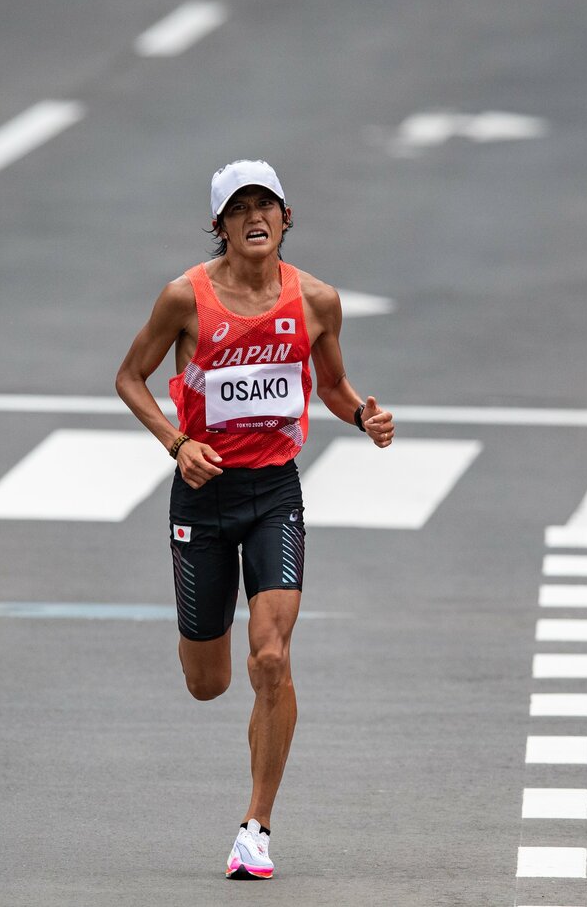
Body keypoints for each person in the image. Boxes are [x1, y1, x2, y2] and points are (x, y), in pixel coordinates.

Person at [114, 159, 396, 881]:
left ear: (285, 214)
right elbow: (129, 376)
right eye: (239, 208)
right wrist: (178, 444)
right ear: (222, 227)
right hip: (203, 499)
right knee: (208, 681)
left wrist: (362, 413)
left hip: (274, 492)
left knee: (271, 656)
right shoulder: (185, 297)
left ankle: (256, 827)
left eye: (265, 203)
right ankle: (203, 638)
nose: (255, 216)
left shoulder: (316, 300)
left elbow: (330, 384)